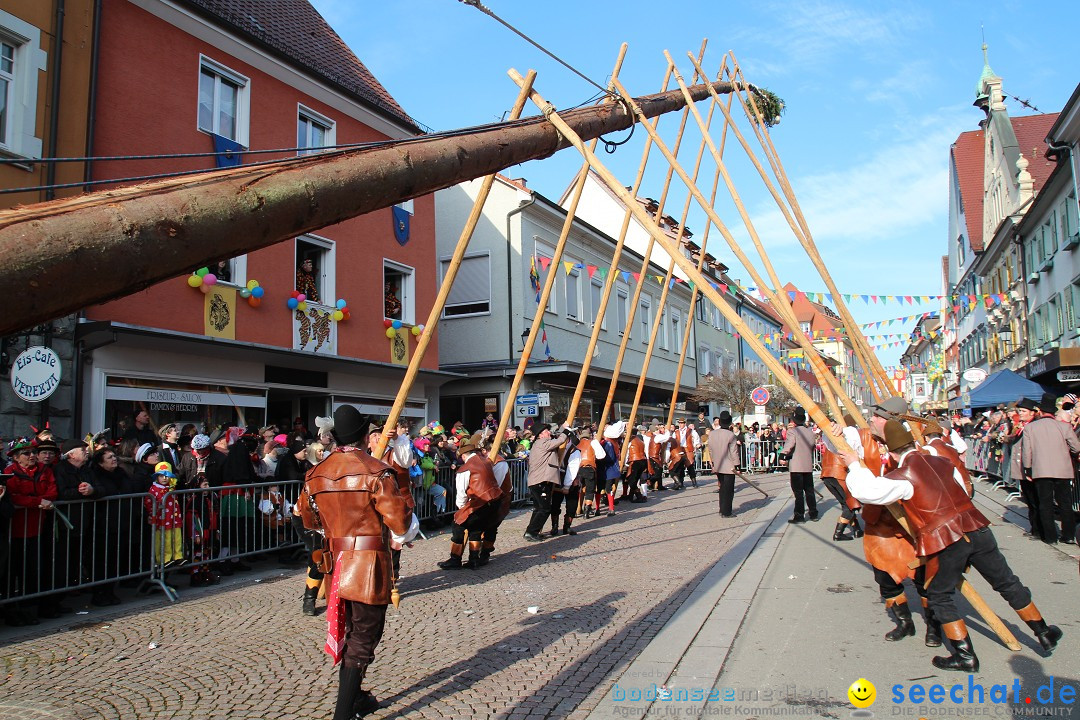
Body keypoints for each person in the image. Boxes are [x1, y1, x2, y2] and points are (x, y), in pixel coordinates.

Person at [844, 420, 1062, 671]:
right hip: (977, 528)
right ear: (914, 443)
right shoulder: (942, 462)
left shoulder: (903, 475)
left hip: (947, 538)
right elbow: (961, 485)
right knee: (1006, 581)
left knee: (939, 595)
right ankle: (1044, 632)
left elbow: (868, 491)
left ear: (891, 453)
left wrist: (853, 464)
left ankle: (965, 656)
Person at [298, 404, 418, 720]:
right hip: (368, 565)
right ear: (366, 436)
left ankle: (357, 698)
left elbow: (309, 519)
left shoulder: (315, 473)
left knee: (354, 632)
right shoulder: (376, 471)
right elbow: (401, 524)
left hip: (335, 563)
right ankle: (344, 712)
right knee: (364, 636)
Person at [5, 438, 58, 624]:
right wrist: (36, 502)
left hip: (37, 529)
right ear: (17, 457)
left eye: (33, 452)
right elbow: (13, 496)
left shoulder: (45, 470)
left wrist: (41, 500)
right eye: (27, 453)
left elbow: (52, 492)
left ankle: (29, 610)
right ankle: (12, 612)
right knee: (12, 573)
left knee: (32, 571)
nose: (33, 456)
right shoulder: (10, 473)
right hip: (16, 531)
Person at [1020, 394, 1080, 545]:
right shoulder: (1064, 426)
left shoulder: (1030, 428)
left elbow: (1027, 452)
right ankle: (1068, 535)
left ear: (1039, 411)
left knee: (1045, 503)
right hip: (1063, 470)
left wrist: (1027, 469)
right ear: (1053, 412)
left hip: (1041, 470)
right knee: (1065, 503)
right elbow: (1077, 447)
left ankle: (1050, 537)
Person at [437, 434, 503, 569]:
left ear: (463, 456)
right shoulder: (486, 461)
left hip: (480, 500)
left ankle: (455, 559)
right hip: (494, 500)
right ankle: (474, 559)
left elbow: (461, 493)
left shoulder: (465, 468)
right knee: (476, 527)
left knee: (458, 524)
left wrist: (461, 509)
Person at [523, 422, 573, 541]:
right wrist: (566, 431)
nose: (549, 432)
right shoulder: (542, 443)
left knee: (538, 508)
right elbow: (559, 441)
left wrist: (562, 428)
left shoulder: (540, 443)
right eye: (546, 431)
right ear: (540, 435)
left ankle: (531, 531)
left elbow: (556, 438)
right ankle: (531, 532)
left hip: (538, 480)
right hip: (540, 481)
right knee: (544, 508)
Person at [818, 414, 864, 541]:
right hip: (839, 474)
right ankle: (838, 533)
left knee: (846, 504)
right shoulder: (846, 437)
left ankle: (857, 529)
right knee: (850, 505)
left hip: (827, 475)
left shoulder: (832, 437)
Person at [782, 408, 817, 523]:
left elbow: (789, 445)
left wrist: (782, 455)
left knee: (798, 492)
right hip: (807, 464)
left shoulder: (793, 431)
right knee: (809, 491)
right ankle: (813, 513)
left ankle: (799, 515)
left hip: (796, 465)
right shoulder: (810, 431)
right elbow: (812, 446)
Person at [708, 413, 739, 517]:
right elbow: (734, 452)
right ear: (730, 423)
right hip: (729, 465)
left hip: (718, 464)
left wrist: (713, 462)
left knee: (722, 488)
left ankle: (722, 509)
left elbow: (711, 450)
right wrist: (737, 465)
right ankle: (726, 512)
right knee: (729, 490)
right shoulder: (731, 435)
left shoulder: (712, 434)